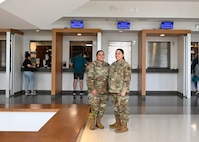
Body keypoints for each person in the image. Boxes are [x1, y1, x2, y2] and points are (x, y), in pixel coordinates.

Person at [108, 48, 131, 133]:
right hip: (113, 90)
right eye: (116, 53)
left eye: (119, 53)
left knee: (123, 108)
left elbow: (127, 79)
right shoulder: (113, 64)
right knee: (116, 108)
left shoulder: (126, 65)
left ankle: (124, 126)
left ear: (123, 55)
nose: (117, 55)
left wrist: (124, 90)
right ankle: (118, 123)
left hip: (121, 91)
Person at [86, 50, 110, 130]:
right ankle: (92, 123)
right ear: (96, 56)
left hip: (104, 91)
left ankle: (98, 122)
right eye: (99, 55)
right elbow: (89, 78)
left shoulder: (107, 65)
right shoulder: (92, 65)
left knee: (102, 108)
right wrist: (92, 89)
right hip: (95, 91)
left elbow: (109, 78)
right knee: (94, 107)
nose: (101, 56)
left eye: (103, 55)